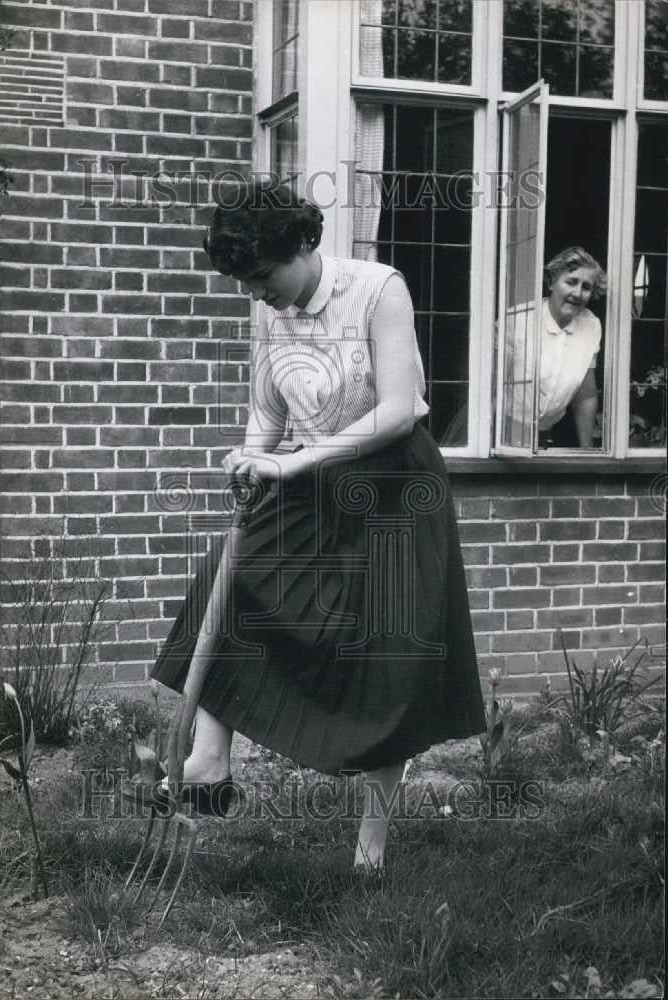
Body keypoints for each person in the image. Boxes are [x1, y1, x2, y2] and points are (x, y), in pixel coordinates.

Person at [149, 179, 486, 871]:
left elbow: (398, 408)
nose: (254, 292)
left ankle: (371, 849)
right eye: (243, 281)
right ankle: (210, 763)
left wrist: (295, 461)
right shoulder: (269, 310)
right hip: (305, 481)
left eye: (261, 276)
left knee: (389, 656)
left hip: (394, 486)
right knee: (232, 575)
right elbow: (267, 412)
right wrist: (252, 455)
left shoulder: (377, 288)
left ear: (302, 244)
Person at [440, 246, 606, 449]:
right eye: (570, 282)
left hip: (543, 437)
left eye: (586, 287)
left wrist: (586, 452)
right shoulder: (516, 321)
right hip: (498, 433)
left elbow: (586, 395)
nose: (577, 293)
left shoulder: (591, 326)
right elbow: (490, 388)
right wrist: (484, 447)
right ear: (551, 282)